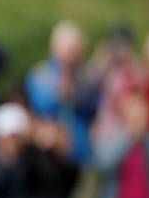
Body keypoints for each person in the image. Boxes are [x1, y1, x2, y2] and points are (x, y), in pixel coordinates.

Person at [24, 21, 98, 164]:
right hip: (49, 151)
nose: (73, 56)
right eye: (70, 50)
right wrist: (59, 91)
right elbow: (38, 108)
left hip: (80, 150)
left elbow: (93, 108)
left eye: (76, 50)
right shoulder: (40, 74)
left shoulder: (87, 78)